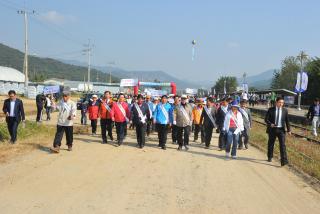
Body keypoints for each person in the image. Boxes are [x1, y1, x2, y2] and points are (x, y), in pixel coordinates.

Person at [265, 97, 291, 166]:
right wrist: (271, 124)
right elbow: (266, 119)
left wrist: (289, 130)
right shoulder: (271, 110)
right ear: (276, 102)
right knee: (271, 143)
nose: (281, 104)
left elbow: (287, 121)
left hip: (281, 130)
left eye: (282, 103)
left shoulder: (285, 110)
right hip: (272, 129)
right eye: (280, 102)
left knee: (282, 145)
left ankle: (284, 161)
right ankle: (270, 156)